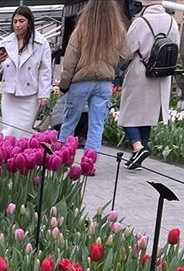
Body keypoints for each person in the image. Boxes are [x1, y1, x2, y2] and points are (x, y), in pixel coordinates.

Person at [57, 0, 127, 155]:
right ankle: (90, 162)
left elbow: (70, 61)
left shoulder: (81, 30)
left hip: (81, 81)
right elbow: (125, 55)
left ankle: (62, 157)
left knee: (69, 122)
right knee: (97, 125)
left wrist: (64, 85)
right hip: (104, 82)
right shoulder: (118, 31)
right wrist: (110, 64)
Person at [119, 0, 179, 170]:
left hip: (140, 73)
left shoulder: (141, 22)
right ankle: (138, 158)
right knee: (147, 117)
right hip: (162, 76)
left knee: (128, 115)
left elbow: (126, 51)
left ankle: (138, 147)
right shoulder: (172, 22)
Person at [0, 6, 52, 138]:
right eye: (15, 21)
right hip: (9, 93)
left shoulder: (41, 43)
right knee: (8, 129)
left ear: (29, 22)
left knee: (23, 131)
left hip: (29, 95)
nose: (17, 25)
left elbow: (45, 70)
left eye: (21, 21)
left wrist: (44, 94)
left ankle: (22, 156)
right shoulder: (6, 42)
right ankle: (9, 156)